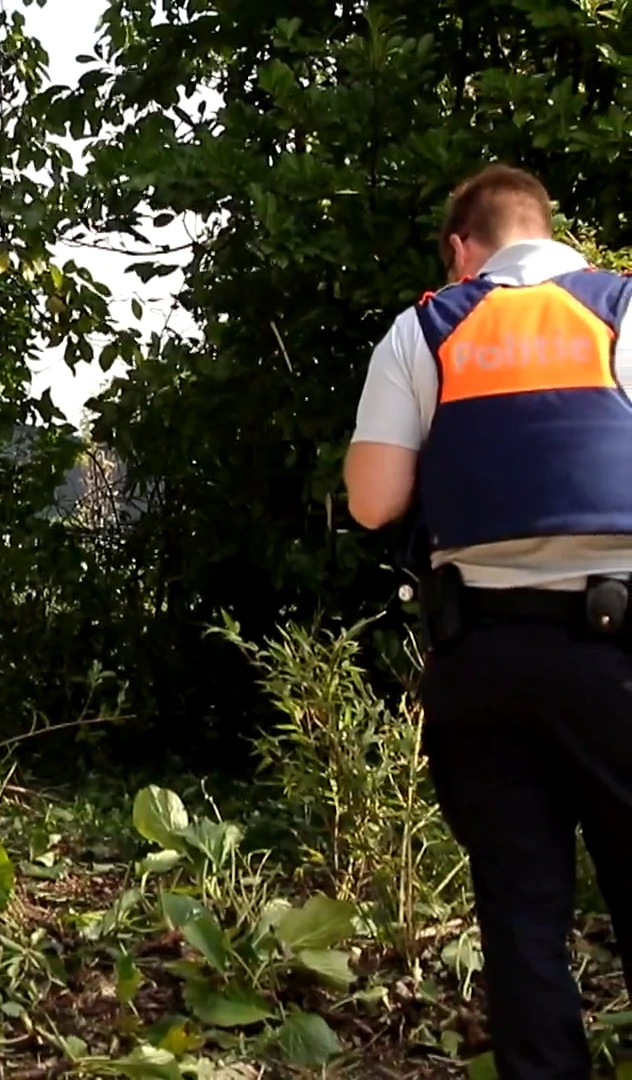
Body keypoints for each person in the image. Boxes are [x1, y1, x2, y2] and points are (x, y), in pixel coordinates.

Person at [345, 162, 632, 1079]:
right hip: (618, 652)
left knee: (520, 919)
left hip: (484, 658)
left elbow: (374, 503)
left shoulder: (424, 329)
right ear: (548, 227)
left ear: (462, 247)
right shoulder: (621, 310)